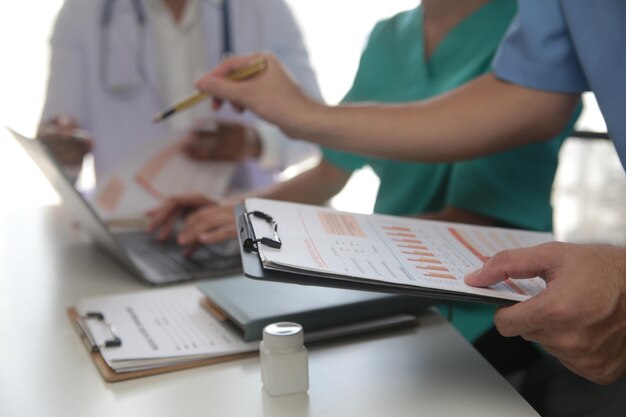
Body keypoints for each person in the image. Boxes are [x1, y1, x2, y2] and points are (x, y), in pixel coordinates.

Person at [191, 0, 626, 389]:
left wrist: (320, 239)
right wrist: (241, 212)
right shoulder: (387, 36)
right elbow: (332, 167)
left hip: (474, 309)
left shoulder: (523, 32)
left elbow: (479, 218)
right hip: (380, 282)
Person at [38, 0, 321, 192]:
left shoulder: (264, 8)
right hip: (130, 222)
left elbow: (317, 128)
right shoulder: (82, 12)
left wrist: (258, 142)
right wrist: (63, 151)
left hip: (240, 219)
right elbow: (58, 136)